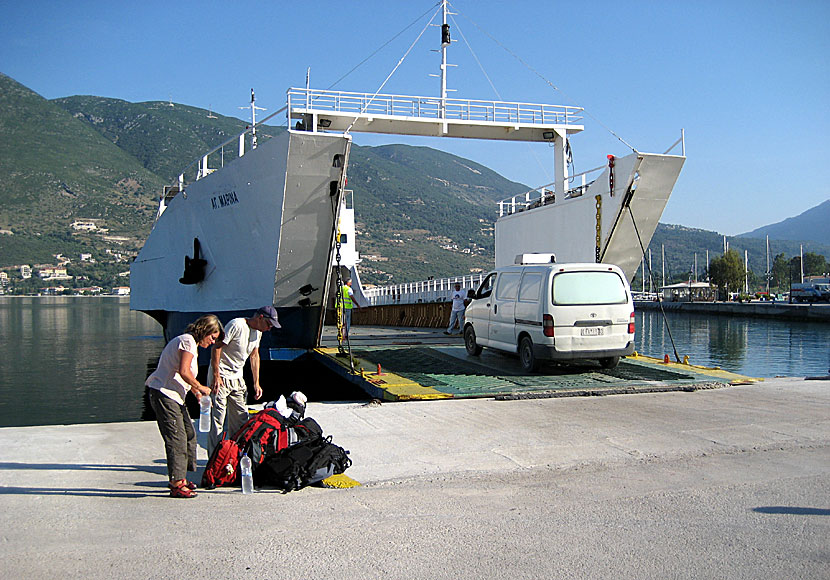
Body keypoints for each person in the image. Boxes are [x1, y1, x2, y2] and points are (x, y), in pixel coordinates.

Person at [146, 314, 223, 498]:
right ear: (204, 330)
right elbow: (183, 371)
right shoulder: (187, 342)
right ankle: (176, 482)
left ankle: (182, 475)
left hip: (175, 397)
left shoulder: (191, 345)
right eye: (212, 337)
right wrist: (201, 387)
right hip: (164, 394)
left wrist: (195, 393)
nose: (212, 342)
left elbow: (182, 376)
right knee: (177, 438)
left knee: (189, 434)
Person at [207, 306, 280, 456]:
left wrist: (256, 382)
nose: (269, 328)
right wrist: (216, 375)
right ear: (260, 318)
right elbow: (216, 348)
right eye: (268, 324)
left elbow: (254, 356)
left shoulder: (258, 332)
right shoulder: (236, 325)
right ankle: (214, 459)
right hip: (221, 376)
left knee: (240, 419)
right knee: (218, 421)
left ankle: (234, 455)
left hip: (237, 378)